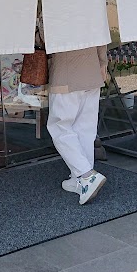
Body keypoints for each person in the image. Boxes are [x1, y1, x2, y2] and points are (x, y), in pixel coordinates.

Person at [47, 45, 109, 205]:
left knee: (59, 127)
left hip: (66, 74)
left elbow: (46, 40)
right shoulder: (94, 18)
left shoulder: (57, 18)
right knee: (85, 129)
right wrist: (103, 63)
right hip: (92, 72)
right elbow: (102, 38)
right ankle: (80, 180)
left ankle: (86, 175)